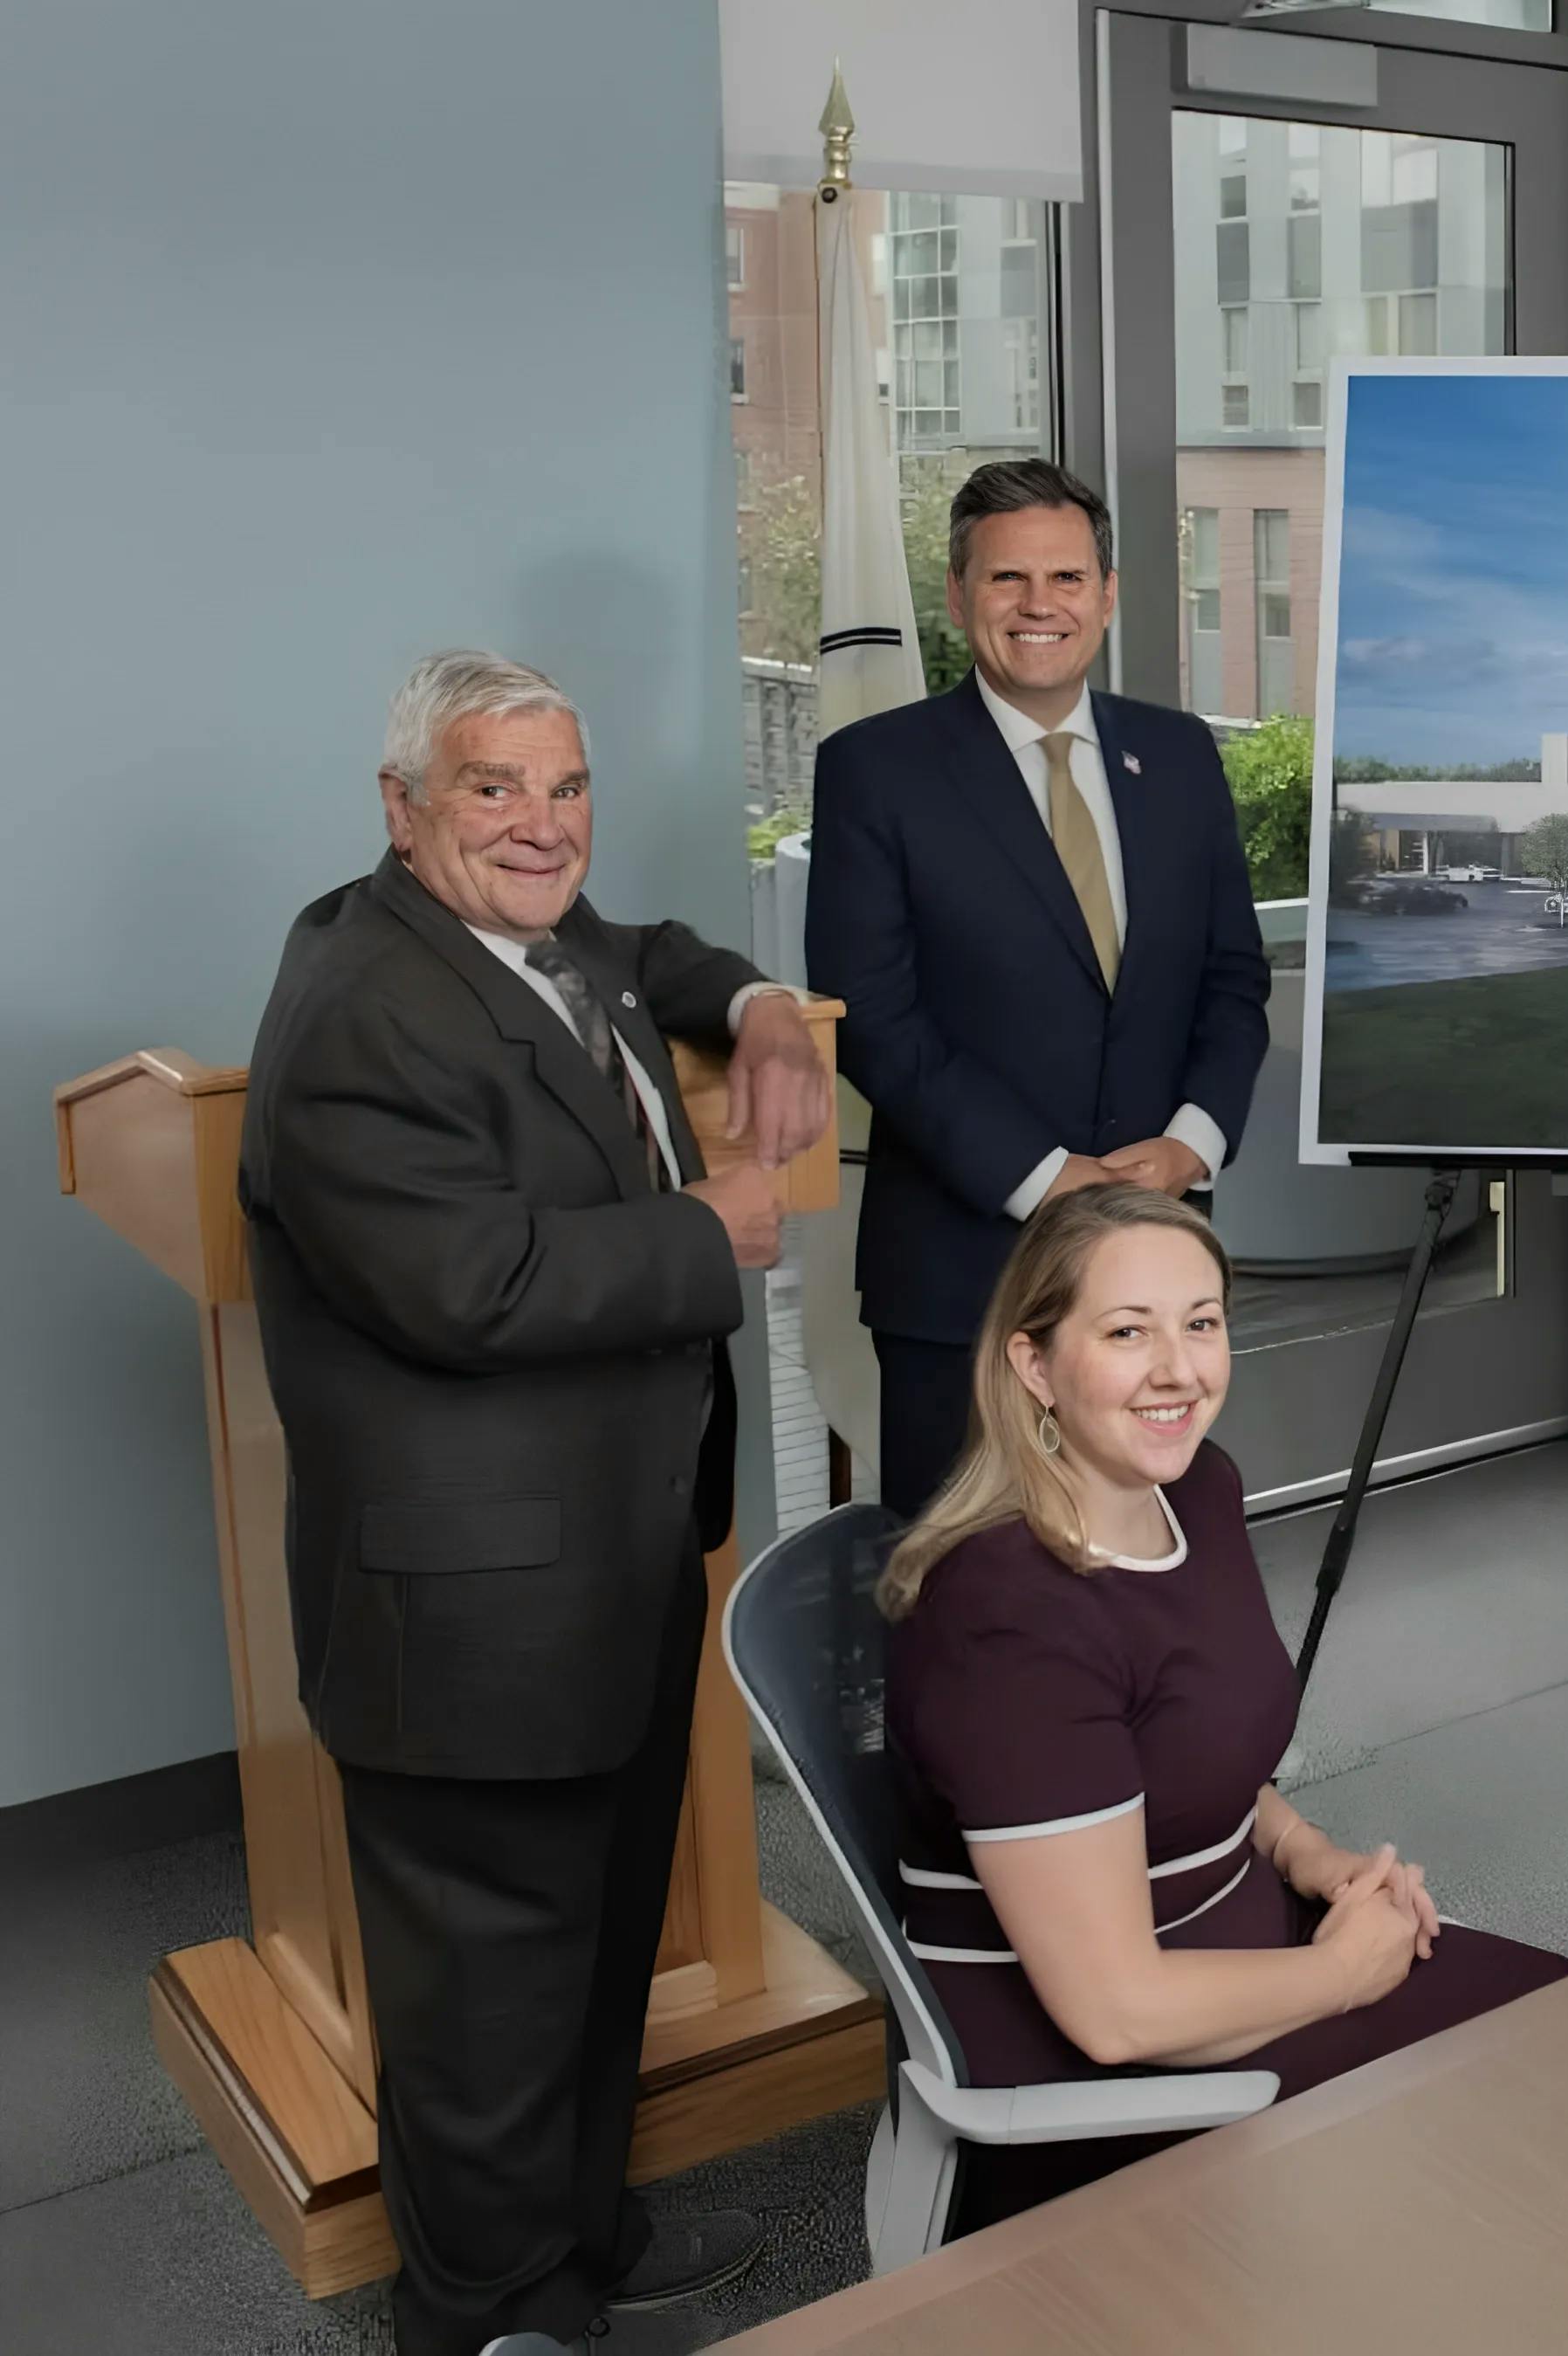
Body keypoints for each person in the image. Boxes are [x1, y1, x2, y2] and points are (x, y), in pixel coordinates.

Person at [239, 651, 834, 2356]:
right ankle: (486, 2312)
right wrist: (707, 1228)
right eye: (492, 786)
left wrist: (757, 1002)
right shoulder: (361, 1009)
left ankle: (577, 2241)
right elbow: (468, 1282)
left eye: (565, 787)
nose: (541, 823)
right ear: (401, 805)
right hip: (470, 1612)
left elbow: (649, 952)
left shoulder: (531, 934)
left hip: (599, 1567)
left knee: (584, 1954)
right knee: (488, 2002)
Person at [878, 1184, 1568, 2235]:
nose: (1179, 1370)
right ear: (1035, 1364)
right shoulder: (1008, 1621)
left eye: (1200, 1323)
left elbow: (1191, 1748)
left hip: (1241, 1948)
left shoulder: (1196, 1490)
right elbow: (1113, 2013)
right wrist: (1339, 1972)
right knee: (1552, 2109)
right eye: (1127, 1331)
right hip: (1108, 2084)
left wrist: (1303, 1851)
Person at [808, 458, 1272, 1513]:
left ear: (1106, 595)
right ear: (958, 594)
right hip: (961, 1279)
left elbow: (1232, 977)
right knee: (962, 1579)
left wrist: (1192, 1141)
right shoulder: (876, 769)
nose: (1038, 604)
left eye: (1065, 578)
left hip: (1152, 1266)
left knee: (1137, 1568)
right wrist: (1042, 1174)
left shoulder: (1180, 755)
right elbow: (873, 1016)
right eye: (1007, 578)